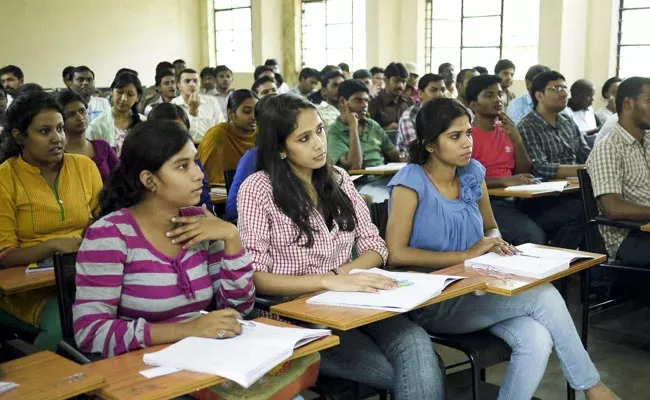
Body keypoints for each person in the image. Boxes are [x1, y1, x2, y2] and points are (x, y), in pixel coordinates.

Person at [385, 97, 620, 400]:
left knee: (536, 338)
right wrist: (467, 256)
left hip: (480, 288)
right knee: (544, 295)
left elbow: (490, 227)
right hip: (435, 300)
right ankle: (592, 387)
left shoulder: (473, 174)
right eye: (454, 137)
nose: (466, 143)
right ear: (430, 144)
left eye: (468, 133)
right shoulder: (410, 182)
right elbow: (397, 253)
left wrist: (496, 243)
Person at [237, 94, 442, 400]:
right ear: (280, 148)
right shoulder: (258, 190)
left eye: (320, 131)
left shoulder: (340, 179)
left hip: (356, 304)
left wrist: (341, 275)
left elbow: (376, 247)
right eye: (304, 138)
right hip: (300, 319)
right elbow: (256, 275)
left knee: (414, 341)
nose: (319, 144)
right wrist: (328, 281)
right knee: (411, 373)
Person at [72, 119, 255, 358]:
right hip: (144, 371)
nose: (199, 174)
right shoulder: (110, 235)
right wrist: (185, 330)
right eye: (182, 166)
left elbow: (237, 309)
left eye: (195, 162)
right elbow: (91, 332)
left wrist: (232, 237)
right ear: (149, 180)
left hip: (208, 355)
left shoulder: (200, 224)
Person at [0, 92, 102, 351]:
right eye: (44, 131)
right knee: (66, 325)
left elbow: (102, 222)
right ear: (19, 136)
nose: (57, 138)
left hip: (88, 276)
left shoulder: (85, 167)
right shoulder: (5, 178)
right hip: (30, 290)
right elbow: (4, 255)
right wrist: (54, 245)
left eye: (59, 128)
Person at [465, 75, 545, 245]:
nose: (497, 100)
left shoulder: (506, 129)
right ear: (473, 104)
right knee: (533, 237)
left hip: (518, 199)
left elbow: (523, 170)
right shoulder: (468, 136)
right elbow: (464, 179)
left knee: (570, 216)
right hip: (488, 202)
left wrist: (517, 140)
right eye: (489, 95)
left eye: (499, 94)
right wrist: (504, 180)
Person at [517, 71, 591, 250]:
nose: (564, 93)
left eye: (565, 88)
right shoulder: (527, 126)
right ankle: (560, 268)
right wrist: (585, 169)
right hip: (544, 200)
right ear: (539, 95)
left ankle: (590, 269)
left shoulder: (567, 122)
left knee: (596, 209)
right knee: (586, 212)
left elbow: (585, 153)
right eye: (556, 88)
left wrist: (594, 163)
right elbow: (541, 168)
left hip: (573, 192)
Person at [587, 77, 650, 268]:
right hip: (630, 236)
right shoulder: (609, 148)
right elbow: (612, 208)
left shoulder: (648, 142)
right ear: (628, 104)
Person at [328, 79, 400, 202]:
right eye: (358, 100)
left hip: (385, 179)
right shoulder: (335, 132)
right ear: (342, 102)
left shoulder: (372, 125)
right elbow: (355, 166)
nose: (364, 105)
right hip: (359, 184)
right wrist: (353, 127)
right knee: (387, 198)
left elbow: (395, 156)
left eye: (366, 100)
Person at [147, 103, 214, 211]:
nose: (176, 140)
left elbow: (205, 203)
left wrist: (205, 219)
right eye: (169, 133)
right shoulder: (145, 164)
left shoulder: (193, 162)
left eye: (181, 133)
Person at [198, 90, 258, 184]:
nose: (254, 116)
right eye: (247, 111)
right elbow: (212, 180)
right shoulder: (217, 136)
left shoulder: (260, 134)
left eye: (256, 111)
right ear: (230, 114)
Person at [57, 90, 118, 183]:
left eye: (82, 111)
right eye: (71, 114)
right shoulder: (57, 155)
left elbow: (121, 178)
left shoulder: (103, 147)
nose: (80, 117)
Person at [88, 72, 145, 155]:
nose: (123, 98)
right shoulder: (97, 125)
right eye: (120, 92)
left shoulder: (144, 123)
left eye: (130, 94)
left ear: (138, 97)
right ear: (112, 91)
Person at [396, 73, 447, 155]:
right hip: (414, 162)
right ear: (420, 94)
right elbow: (416, 149)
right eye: (433, 90)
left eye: (443, 90)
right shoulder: (409, 116)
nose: (440, 94)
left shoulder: (448, 113)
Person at [171, 68, 225, 143]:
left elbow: (221, 127)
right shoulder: (173, 105)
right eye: (187, 81)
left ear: (200, 84)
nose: (192, 84)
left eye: (195, 81)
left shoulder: (212, 101)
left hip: (210, 146)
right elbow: (177, 135)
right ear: (179, 86)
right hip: (184, 148)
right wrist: (193, 112)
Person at [368, 62, 414, 130]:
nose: (400, 85)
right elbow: (367, 131)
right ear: (386, 80)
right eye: (396, 81)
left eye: (403, 82)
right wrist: (387, 129)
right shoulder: (373, 103)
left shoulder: (409, 102)